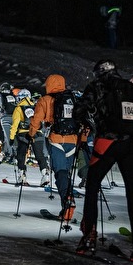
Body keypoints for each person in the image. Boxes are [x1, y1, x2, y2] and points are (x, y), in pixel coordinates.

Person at [75, 60, 133, 261]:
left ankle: (89, 235)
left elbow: (80, 110)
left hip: (107, 141)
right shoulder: (129, 87)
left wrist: (88, 124)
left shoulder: (97, 86)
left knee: (93, 184)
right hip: (130, 144)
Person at [28, 74, 82, 220]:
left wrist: (31, 133)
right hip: (73, 140)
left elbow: (37, 119)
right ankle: (67, 201)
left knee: (60, 172)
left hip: (56, 139)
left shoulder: (45, 100)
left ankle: (67, 202)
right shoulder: (73, 100)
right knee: (66, 173)